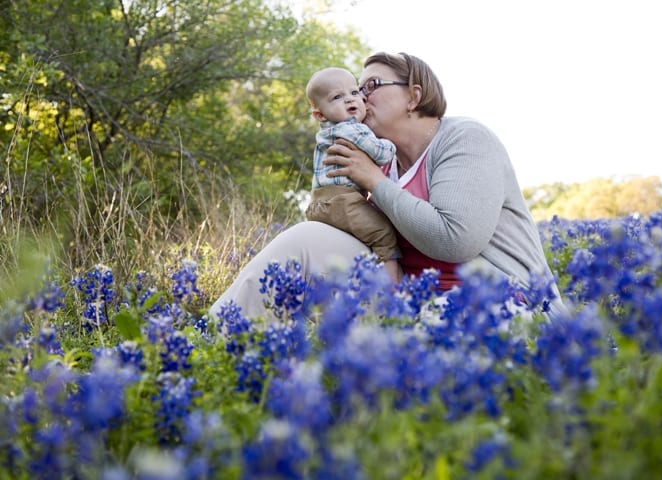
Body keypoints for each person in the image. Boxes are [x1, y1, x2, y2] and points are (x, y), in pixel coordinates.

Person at [209, 52, 564, 320]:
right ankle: (211, 341)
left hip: (499, 303)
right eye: (356, 91)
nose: (360, 99)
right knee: (302, 239)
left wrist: (374, 182)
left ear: (413, 96)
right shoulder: (382, 161)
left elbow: (456, 240)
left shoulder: (465, 138)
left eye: (370, 87)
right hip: (407, 301)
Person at [303, 67, 402, 283]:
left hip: (318, 204)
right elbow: (381, 154)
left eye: (354, 92)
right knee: (383, 236)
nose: (350, 100)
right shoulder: (351, 129)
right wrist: (392, 143)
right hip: (344, 202)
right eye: (338, 97)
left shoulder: (326, 131)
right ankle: (393, 292)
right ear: (319, 114)